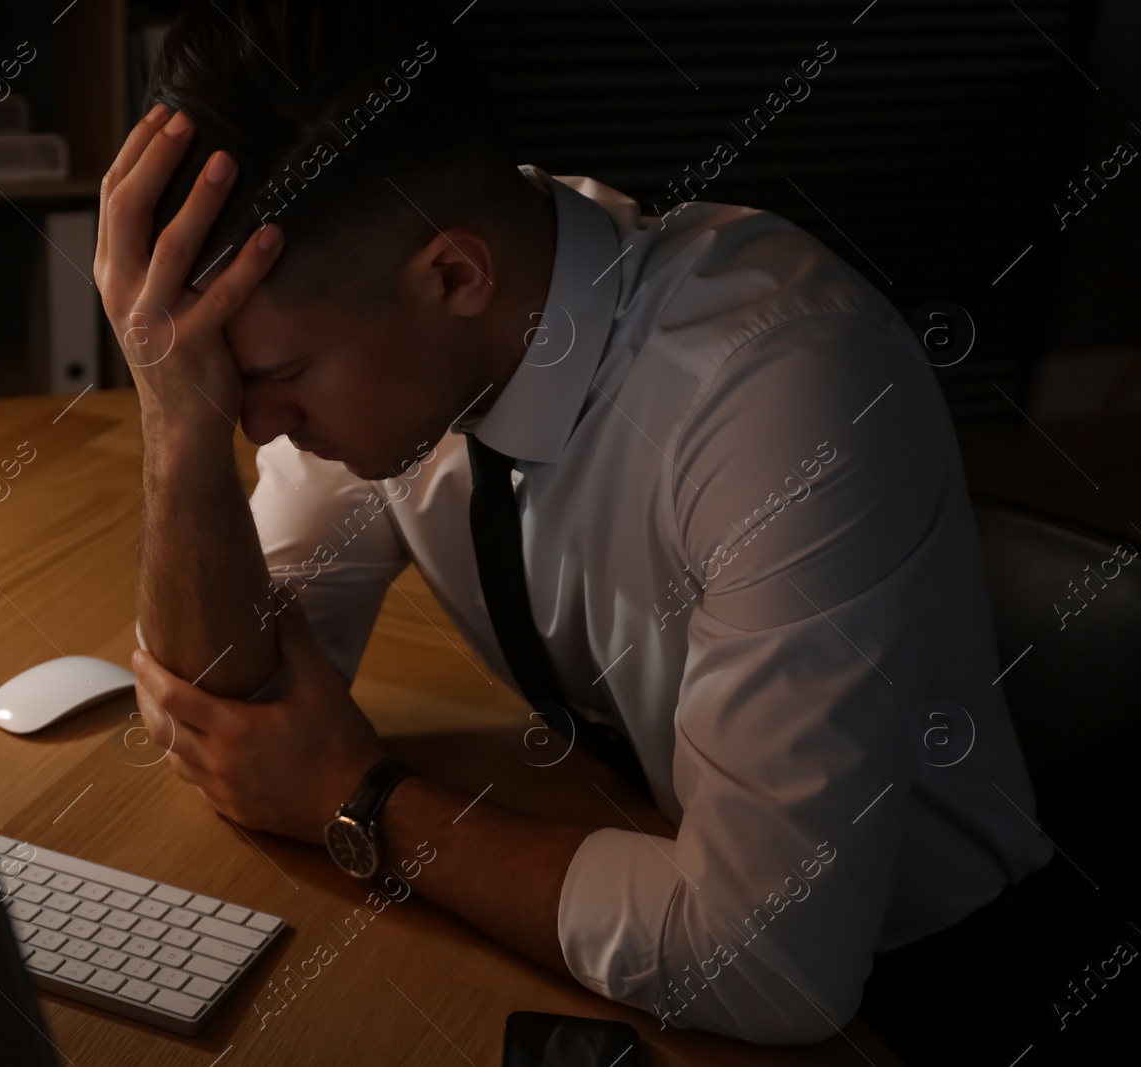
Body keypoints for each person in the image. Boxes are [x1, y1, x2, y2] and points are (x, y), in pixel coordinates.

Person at [94, 0, 1053, 1048]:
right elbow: (225, 713)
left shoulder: (782, 391)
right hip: (638, 854)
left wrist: (360, 800)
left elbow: (777, 963)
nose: (256, 422)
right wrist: (172, 417)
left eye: (273, 376)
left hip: (935, 988)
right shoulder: (416, 337)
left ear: (454, 275)